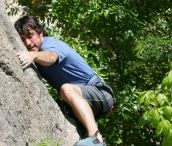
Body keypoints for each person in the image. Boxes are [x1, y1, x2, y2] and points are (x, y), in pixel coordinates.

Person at [14, 15, 115, 146]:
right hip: (86, 99)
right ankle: (96, 139)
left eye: (30, 35)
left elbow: (52, 57)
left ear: (40, 32)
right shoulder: (39, 56)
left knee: (66, 89)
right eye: (23, 39)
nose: (28, 43)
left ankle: (95, 139)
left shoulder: (49, 44)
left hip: (100, 92)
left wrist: (33, 55)